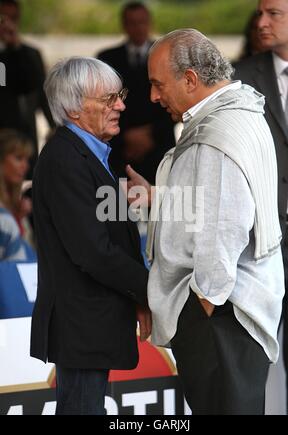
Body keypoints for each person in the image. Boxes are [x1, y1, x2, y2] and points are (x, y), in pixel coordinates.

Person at [125, 28, 285, 415]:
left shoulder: (217, 135)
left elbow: (224, 227)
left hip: (220, 314)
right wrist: (160, 195)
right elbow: (216, 200)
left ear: (191, 80)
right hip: (230, 312)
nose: (153, 96)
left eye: (158, 84)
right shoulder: (240, 112)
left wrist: (203, 304)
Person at [30, 56, 151, 415]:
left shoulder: (88, 154)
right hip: (81, 325)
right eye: (109, 98)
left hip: (92, 323)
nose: (121, 105)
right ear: (74, 108)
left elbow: (110, 238)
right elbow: (94, 252)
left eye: (120, 95)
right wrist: (150, 288)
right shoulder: (66, 159)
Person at [234, 0, 288, 415]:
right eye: (260, 12)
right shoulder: (240, 79)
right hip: (263, 237)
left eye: (273, 12)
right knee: (247, 355)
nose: (261, 22)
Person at [97, 1, 175, 184]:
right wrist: (126, 135)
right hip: (120, 149)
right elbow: (102, 102)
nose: (138, 27)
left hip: (159, 147)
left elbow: (176, 99)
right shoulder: (107, 58)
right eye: (132, 22)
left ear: (150, 23)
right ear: (124, 25)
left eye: (142, 22)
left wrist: (150, 133)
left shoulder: (168, 56)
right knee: (118, 207)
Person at [0, 0, 55, 177]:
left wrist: (15, 47)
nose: (8, 24)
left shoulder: (28, 53)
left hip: (22, 136)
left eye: (13, 18)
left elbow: (36, 88)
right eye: (3, 19)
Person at [0, 129, 34, 260]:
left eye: (27, 159)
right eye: (18, 158)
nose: (25, 166)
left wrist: (18, 218)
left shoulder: (17, 203)